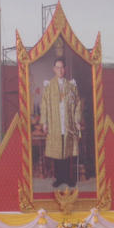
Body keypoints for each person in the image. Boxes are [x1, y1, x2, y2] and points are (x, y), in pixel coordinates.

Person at [39, 56, 82, 188]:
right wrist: (45, 122)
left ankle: (68, 178)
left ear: (65, 69)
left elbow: (77, 104)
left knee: (68, 151)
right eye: (58, 67)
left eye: (62, 67)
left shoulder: (71, 86)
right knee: (57, 152)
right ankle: (59, 178)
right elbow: (44, 105)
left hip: (68, 123)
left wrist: (77, 121)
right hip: (55, 123)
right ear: (54, 69)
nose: (60, 70)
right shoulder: (49, 86)